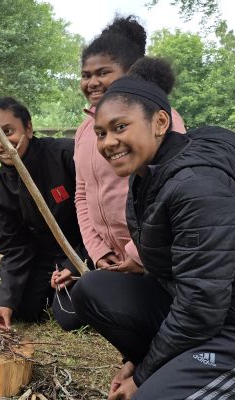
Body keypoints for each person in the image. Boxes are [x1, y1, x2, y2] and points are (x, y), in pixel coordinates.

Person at [72, 58, 235, 399]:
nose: (107, 143)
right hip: (198, 308)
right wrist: (140, 359)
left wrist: (144, 375)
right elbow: (167, 276)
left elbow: (201, 306)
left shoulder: (197, 186)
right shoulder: (147, 174)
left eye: (120, 127)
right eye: (101, 133)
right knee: (93, 287)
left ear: (160, 122)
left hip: (224, 321)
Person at [66, 15, 187, 296]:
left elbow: (169, 198)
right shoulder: (86, 131)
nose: (93, 82)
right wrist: (98, 251)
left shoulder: (159, 121)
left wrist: (136, 254)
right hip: (114, 257)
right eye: (86, 75)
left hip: (156, 256)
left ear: (130, 72)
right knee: (80, 302)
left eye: (103, 73)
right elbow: (82, 194)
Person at [0, 96, 89, 331]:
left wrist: (74, 265)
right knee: (22, 309)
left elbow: (98, 218)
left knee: (70, 317)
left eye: (7, 131)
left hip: (86, 250)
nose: (1, 142)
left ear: (29, 129)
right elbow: (15, 248)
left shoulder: (66, 155)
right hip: (46, 259)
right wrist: (5, 300)